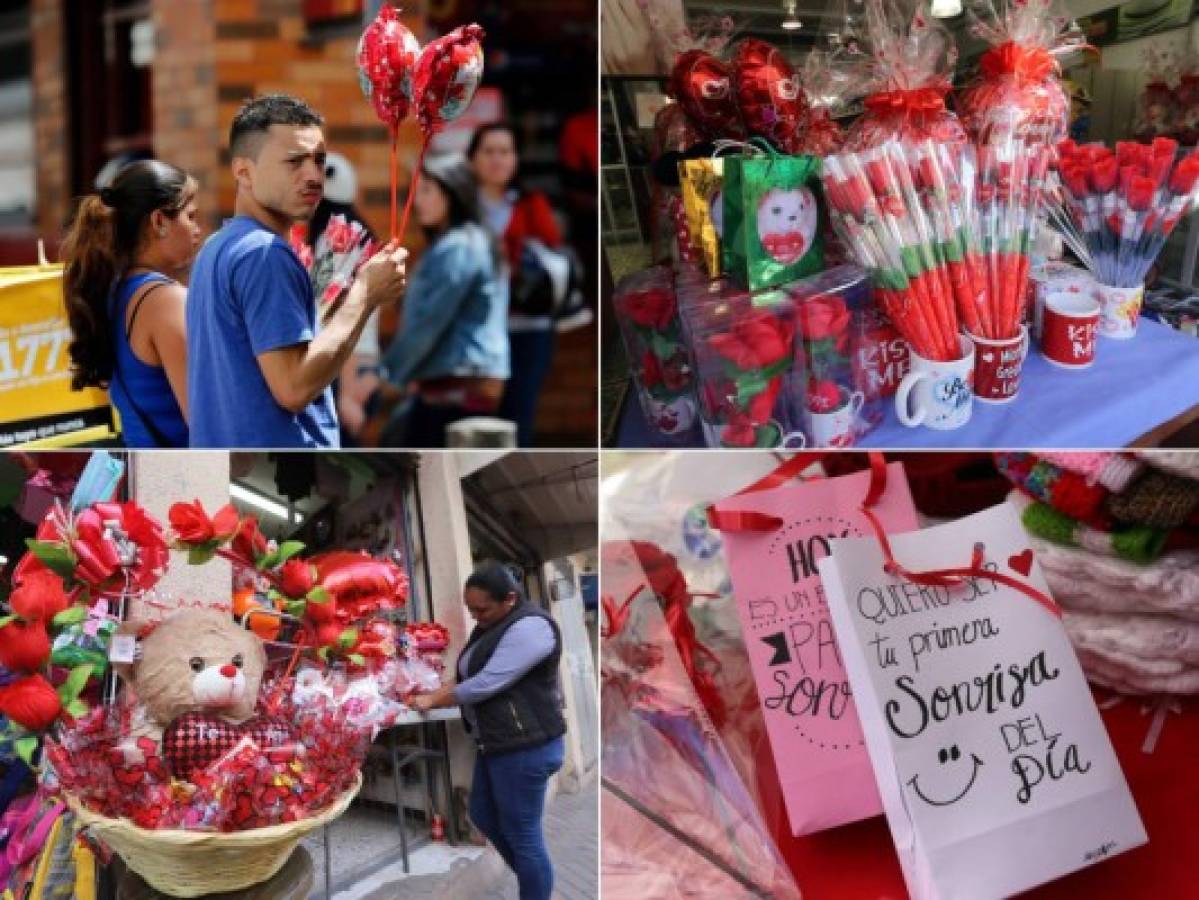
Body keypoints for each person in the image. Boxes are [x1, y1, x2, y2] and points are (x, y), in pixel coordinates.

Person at [185, 94, 408, 448]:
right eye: (294, 162)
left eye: (319, 160)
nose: (313, 176)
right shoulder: (264, 253)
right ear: (243, 171)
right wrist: (364, 294)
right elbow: (294, 388)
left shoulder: (217, 246)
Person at [409, 562, 566, 900]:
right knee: (482, 813)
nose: (475, 615)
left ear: (509, 599)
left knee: (523, 835)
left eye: (482, 608)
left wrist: (434, 698)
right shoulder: (491, 625)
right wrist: (428, 692)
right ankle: (534, 879)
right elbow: (467, 678)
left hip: (527, 746)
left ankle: (535, 887)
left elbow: (487, 682)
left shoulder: (533, 627)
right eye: (471, 608)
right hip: (498, 745)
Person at [60, 160, 200, 447]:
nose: (198, 229)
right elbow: (206, 425)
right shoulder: (166, 301)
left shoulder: (115, 291)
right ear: (159, 221)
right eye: (191, 217)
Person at [378, 155, 509, 446]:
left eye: (426, 190)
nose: (418, 200)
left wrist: (387, 373)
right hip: (465, 378)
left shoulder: (458, 247)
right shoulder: (471, 240)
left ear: (452, 192)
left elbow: (429, 320)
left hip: (457, 380)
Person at [467, 123, 562, 447]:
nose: (497, 159)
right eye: (489, 151)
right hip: (474, 328)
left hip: (527, 325)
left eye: (505, 151)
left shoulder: (531, 203)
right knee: (471, 417)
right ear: (472, 160)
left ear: (515, 159)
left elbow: (555, 255)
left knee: (518, 413)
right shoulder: (460, 207)